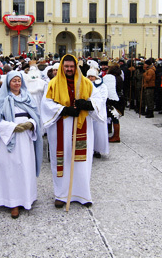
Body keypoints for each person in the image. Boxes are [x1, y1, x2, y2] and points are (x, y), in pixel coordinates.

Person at [41, 54, 104, 208]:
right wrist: (64, 109)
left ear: (76, 67)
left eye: (71, 66)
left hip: (82, 127)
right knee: (62, 160)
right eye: (66, 66)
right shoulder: (52, 84)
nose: (69, 69)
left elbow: (99, 100)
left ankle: (83, 194)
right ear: (62, 67)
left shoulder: (86, 83)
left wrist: (87, 105)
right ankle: (61, 195)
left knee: (81, 161)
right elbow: (46, 104)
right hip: (60, 129)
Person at [0, 71, 43, 219]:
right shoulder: (3, 99)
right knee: (10, 170)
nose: (16, 83)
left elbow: (36, 116)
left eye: (19, 80)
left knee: (24, 167)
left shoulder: (28, 97)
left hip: (25, 139)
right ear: (9, 83)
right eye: (14, 81)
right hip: (8, 139)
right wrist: (11, 128)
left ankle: (26, 197)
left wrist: (31, 124)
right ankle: (12, 202)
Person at [86, 68, 109, 158]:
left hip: (99, 111)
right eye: (89, 76)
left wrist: (93, 103)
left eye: (92, 76)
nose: (91, 78)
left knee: (98, 132)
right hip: (88, 112)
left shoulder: (102, 86)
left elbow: (103, 98)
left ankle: (97, 149)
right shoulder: (85, 85)